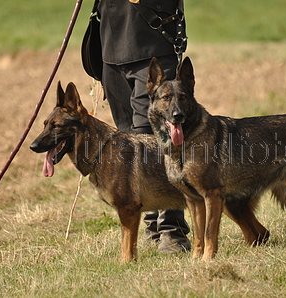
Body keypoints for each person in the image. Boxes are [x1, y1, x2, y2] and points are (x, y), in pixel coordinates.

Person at [97, 0, 190, 253]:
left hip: (154, 40)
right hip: (111, 45)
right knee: (129, 143)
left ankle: (173, 229)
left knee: (162, 140)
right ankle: (150, 225)